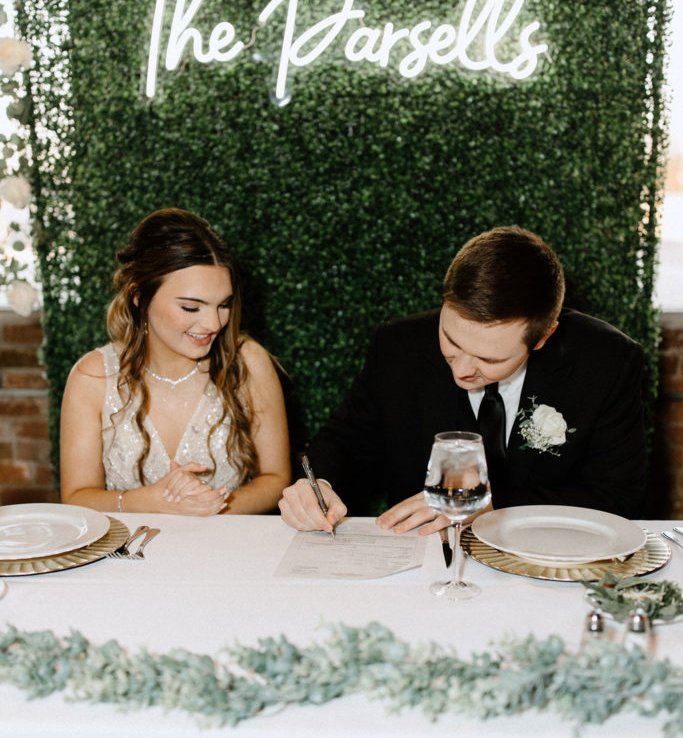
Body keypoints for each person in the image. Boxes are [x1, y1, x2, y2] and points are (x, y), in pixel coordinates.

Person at [279, 225, 647, 535]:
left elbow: (615, 496)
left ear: (543, 336)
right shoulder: (397, 346)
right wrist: (319, 485)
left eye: (490, 359)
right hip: (421, 559)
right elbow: (347, 440)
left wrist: (492, 507)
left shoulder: (607, 363)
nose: (463, 369)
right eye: (451, 341)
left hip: (547, 557)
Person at [61, 208, 290, 516]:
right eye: (191, 308)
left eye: (223, 305)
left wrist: (212, 509)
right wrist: (148, 502)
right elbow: (76, 497)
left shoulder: (248, 362)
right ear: (139, 297)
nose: (212, 323)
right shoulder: (92, 377)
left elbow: (276, 479)